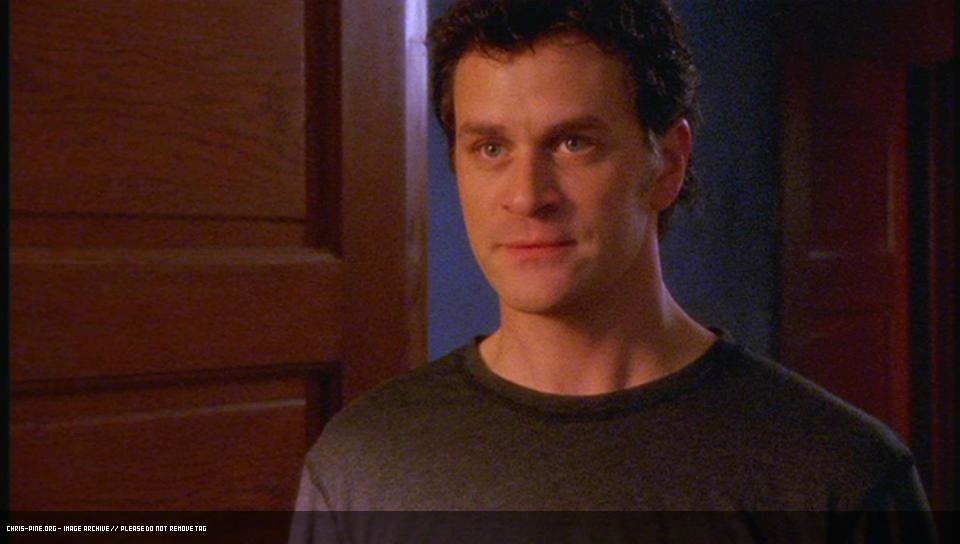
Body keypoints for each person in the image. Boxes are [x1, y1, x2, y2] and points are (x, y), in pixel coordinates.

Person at [290, 0, 936, 541]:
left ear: (667, 163)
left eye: (574, 143)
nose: (527, 196)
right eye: (490, 147)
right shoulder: (362, 464)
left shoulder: (834, 474)